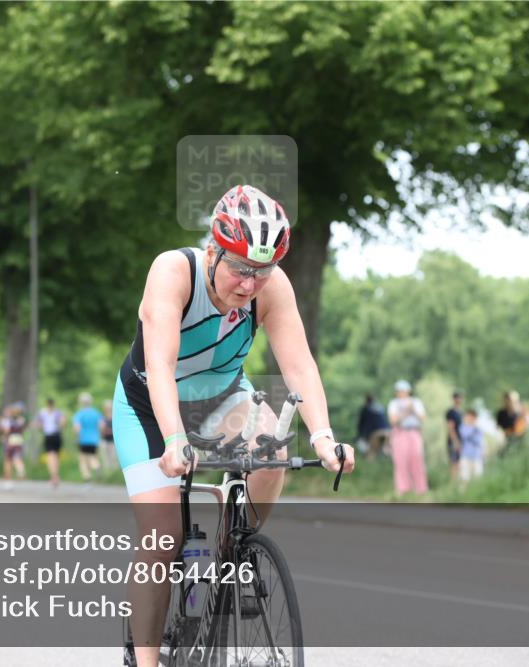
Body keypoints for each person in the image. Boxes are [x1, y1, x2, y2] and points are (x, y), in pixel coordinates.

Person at [112, 184, 354, 665]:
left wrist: (324, 437)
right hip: (149, 402)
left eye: (261, 272)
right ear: (213, 250)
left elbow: (299, 366)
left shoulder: (272, 288)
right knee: (164, 537)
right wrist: (175, 440)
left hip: (222, 397)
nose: (249, 284)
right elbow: (160, 365)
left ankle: (234, 548)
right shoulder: (172, 272)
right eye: (240, 268)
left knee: (274, 448)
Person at [387, 380, 428, 495]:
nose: (401, 393)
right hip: (400, 432)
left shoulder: (416, 402)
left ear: (408, 391)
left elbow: (422, 417)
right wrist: (406, 411)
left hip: (414, 432)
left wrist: (412, 408)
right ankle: (403, 489)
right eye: (399, 391)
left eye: (403, 391)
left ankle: (420, 489)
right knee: (401, 461)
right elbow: (393, 420)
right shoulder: (393, 403)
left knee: (417, 459)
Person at [73, 392, 104, 482]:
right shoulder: (96, 413)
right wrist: (99, 435)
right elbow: (101, 426)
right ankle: (96, 466)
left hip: (83, 439)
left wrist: (76, 437)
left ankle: (87, 476)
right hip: (94, 439)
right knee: (93, 456)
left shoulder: (79, 414)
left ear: (81, 402)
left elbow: (77, 428)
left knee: (83, 459)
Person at [37, 398, 65, 488]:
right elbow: (63, 423)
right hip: (57, 435)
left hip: (49, 436)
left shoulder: (42, 413)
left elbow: (38, 425)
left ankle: (53, 476)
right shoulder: (58, 412)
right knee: (55, 456)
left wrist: (42, 427)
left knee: (50, 457)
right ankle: (56, 475)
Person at [0, 402, 27, 486]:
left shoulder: (7, 420)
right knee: (18, 458)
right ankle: (20, 470)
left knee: (8, 460)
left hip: (10, 440)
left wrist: (3, 436)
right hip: (19, 440)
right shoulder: (21, 420)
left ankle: (7, 479)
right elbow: (22, 430)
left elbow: (6, 430)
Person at [356, 394, 389, 460]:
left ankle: (369, 468)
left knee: (371, 452)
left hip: (375, 432)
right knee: (385, 450)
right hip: (387, 432)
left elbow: (361, 424)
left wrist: (361, 435)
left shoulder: (366, 409)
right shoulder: (380, 408)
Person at [458, 409, 484, 488]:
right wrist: (473, 428)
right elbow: (465, 435)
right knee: (464, 477)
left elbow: (479, 441)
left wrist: (475, 427)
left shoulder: (478, 428)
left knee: (477, 477)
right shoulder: (463, 427)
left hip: (476, 455)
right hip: (466, 455)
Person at [445, 392, 464, 480]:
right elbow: (450, 428)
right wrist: (455, 441)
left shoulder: (460, 412)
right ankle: (453, 484)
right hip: (453, 441)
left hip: (461, 440)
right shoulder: (451, 412)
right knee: (454, 463)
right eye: (457, 398)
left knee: (460, 463)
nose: (459, 400)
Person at [496, 391, 521, 456]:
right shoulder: (501, 412)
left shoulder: (518, 413)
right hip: (504, 434)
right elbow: (498, 426)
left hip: (515, 435)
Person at [101, 399, 118, 471]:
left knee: (114, 458)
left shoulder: (116, 417)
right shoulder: (103, 418)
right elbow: (102, 430)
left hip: (114, 441)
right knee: (106, 459)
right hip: (105, 440)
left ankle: (114, 473)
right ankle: (108, 473)